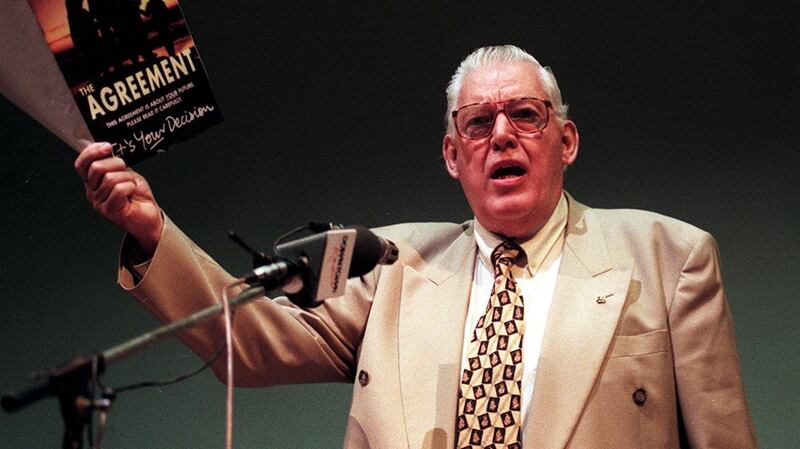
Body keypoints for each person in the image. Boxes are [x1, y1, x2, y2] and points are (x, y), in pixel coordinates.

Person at [74, 45, 758, 448]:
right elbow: (253, 343)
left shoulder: (669, 255)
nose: (503, 135)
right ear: (452, 156)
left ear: (567, 141)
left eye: (527, 115)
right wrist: (151, 230)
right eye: (478, 122)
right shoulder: (393, 263)